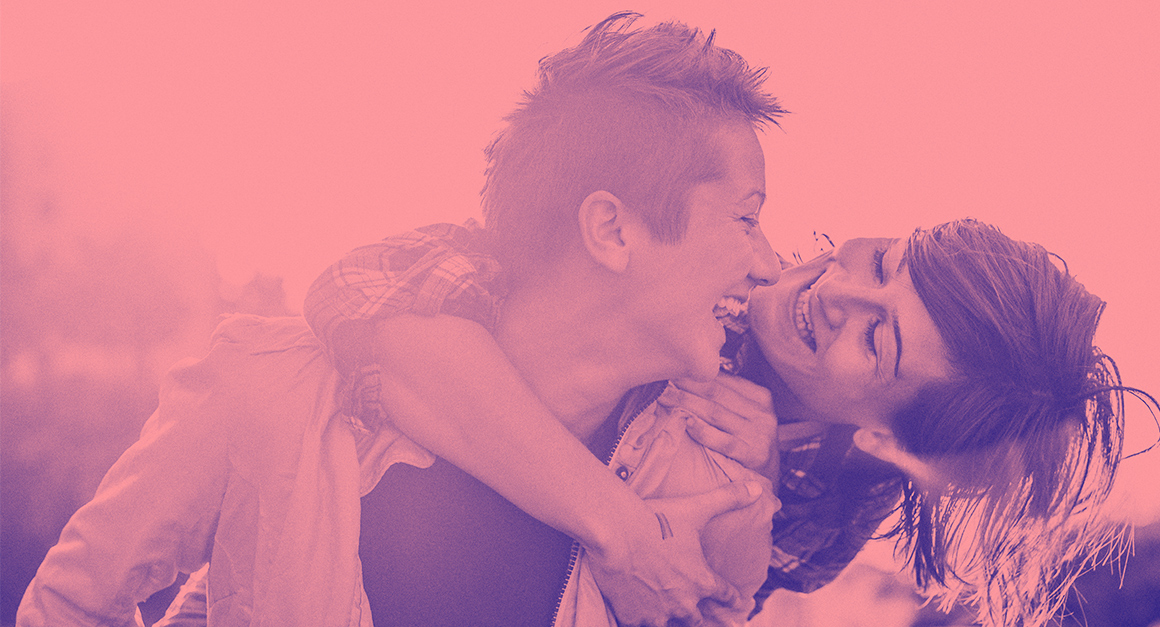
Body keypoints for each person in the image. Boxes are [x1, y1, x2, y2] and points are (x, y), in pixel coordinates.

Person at [17, 12, 791, 627]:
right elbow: (70, 604)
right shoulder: (273, 388)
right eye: (746, 217)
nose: (768, 263)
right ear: (613, 230)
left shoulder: (687, 489)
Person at [303, 217, 1160, 627]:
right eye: (882, 263)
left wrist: (756, 499)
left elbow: (680, 608)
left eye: (876, 339)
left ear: (886, 440)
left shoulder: (824, 513)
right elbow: (362, 288)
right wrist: (624, 527)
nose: (837, 289)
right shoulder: (697, 246)